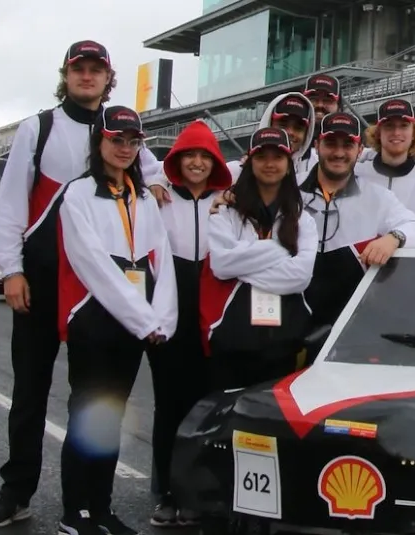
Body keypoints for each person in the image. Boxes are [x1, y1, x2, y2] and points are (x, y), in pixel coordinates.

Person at [0, 40, 164, 528]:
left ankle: (90, 504)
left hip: (97, 289)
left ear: (110, 77)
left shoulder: (122, 131)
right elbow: (10, 203)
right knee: (30, 392)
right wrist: (12, 269)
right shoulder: (38, 127)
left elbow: (156, 180)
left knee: (95, 397)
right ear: (66, 75)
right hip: (42, 279)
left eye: (96, 70)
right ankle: (16, 491)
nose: (87, 76)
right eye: (78, 69)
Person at [55, 106, 177, 535]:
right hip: (94, 317)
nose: (124, 148)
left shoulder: (143, 197)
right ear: (100, 142)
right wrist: (144, 319)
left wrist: (162, 318)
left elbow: (160, 259)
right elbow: (93, 265)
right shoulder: (78, 194)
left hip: (134, 323)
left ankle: (102, 508)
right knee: (87, 413)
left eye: (132, 141)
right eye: (116, 140)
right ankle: (75, 513)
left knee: (113, 416)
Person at [148, 119, 233, 527]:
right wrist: (151, 178)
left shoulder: (230, 197)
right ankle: (166, 491)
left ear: (215, 161)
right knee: (170, 407)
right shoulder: (158, 199)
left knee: (211, 405)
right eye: (189, 156)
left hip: (216, 314)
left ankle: (205, 493)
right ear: (176, 161)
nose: (197, 163)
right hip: (170, 313)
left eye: (205, 156)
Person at [202, 127, 318, 389]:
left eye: (277, 157)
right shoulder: (226, 212)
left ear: (289, 165)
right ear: (249, 162)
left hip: (283, 346)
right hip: (231, 342)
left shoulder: (303, 220)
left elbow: (299, 277)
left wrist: (242, 262)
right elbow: (221, 266)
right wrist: (280, 250)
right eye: (261, 156)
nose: (269, 164)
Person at [299, 111, 415, 331]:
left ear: (360, 150)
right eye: (331, 143)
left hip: (346, 324)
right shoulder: (289, 189)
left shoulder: (376, 196)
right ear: (317, 146)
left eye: (348, 145)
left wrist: (393, 238)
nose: (339, 153)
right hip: (292, 316)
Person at [355, 98, 415, 236]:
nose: (396, 132)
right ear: (378, 133)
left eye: (403, 126)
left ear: (414, 133)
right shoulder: (358, 174)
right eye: (389, 126)